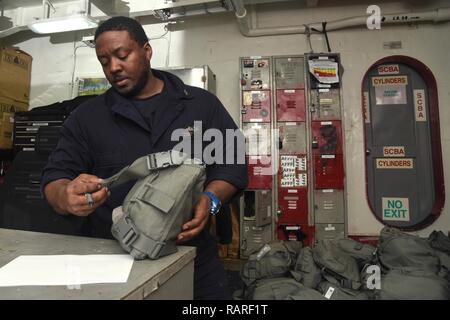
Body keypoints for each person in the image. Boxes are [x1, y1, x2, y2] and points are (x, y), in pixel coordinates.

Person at [41, 16, 247, 299]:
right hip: (114, 263)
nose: (113, 67)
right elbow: (55, 176)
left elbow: (232, 163)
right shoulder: (86, 118)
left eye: (122, 55)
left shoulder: (201, 105)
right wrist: (65, 196)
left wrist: (210, 200)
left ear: (147, 51)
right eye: (104, 61)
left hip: (193, 261)